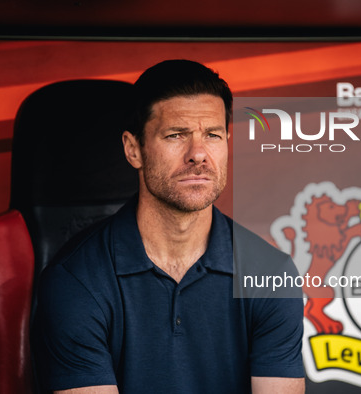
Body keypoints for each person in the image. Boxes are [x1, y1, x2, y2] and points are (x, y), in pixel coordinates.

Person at [33, 59, 305, 393]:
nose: (199, 154)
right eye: (176, 135)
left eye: (213, 135)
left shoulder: (271, 273)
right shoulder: (76, 281)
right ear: (134, 150)